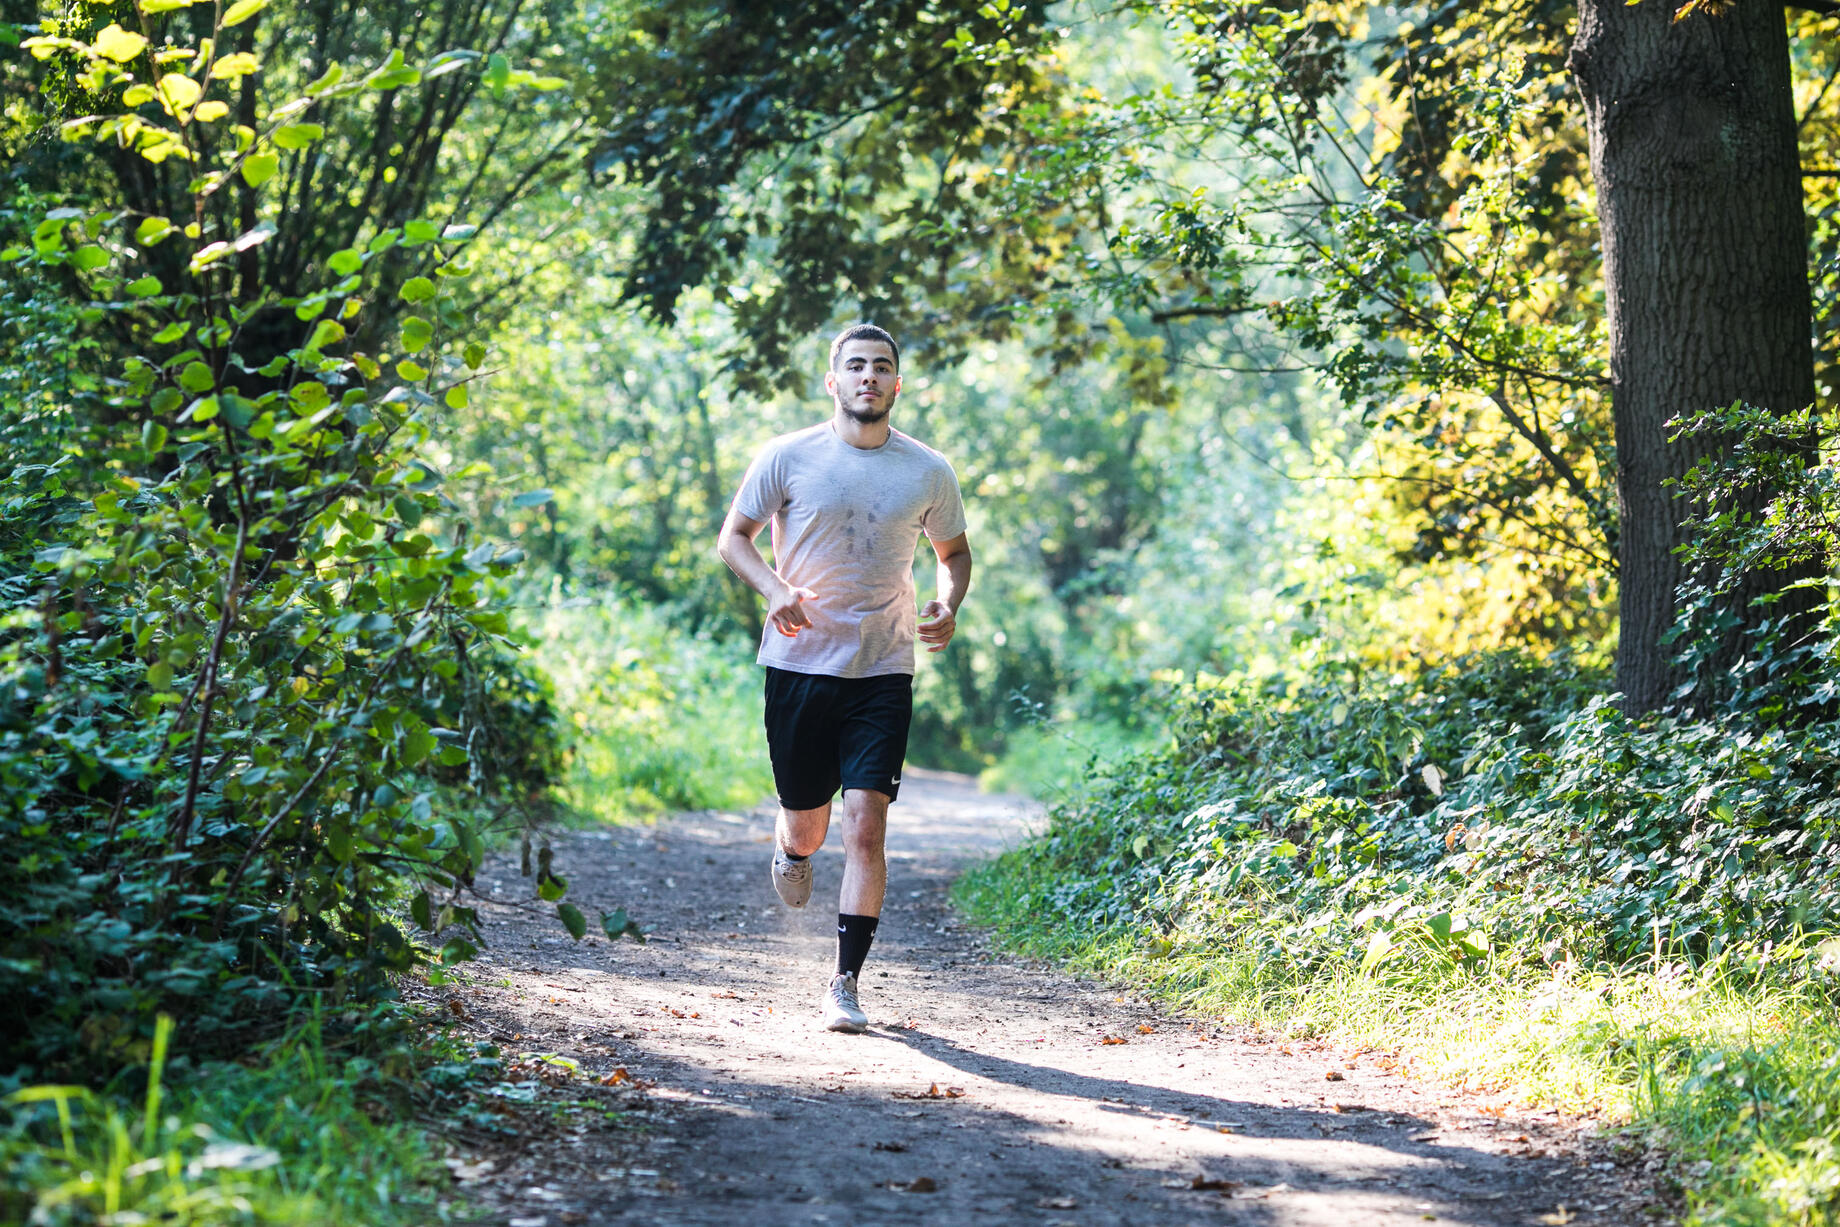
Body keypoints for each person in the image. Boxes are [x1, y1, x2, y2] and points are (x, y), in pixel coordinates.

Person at [715, 323, 972, 1033]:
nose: (869, 377)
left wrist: (948, 602)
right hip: (798, 664)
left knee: (866, 824)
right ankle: (791, 844)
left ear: (898, 383)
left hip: (882, 667)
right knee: (810, 827)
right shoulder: (788, 456)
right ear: (833, 381)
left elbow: (954, 552)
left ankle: (845, 983)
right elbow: (732, 537)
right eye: (855, 366)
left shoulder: (927, 470)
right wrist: (771, 588)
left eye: (881, 367)